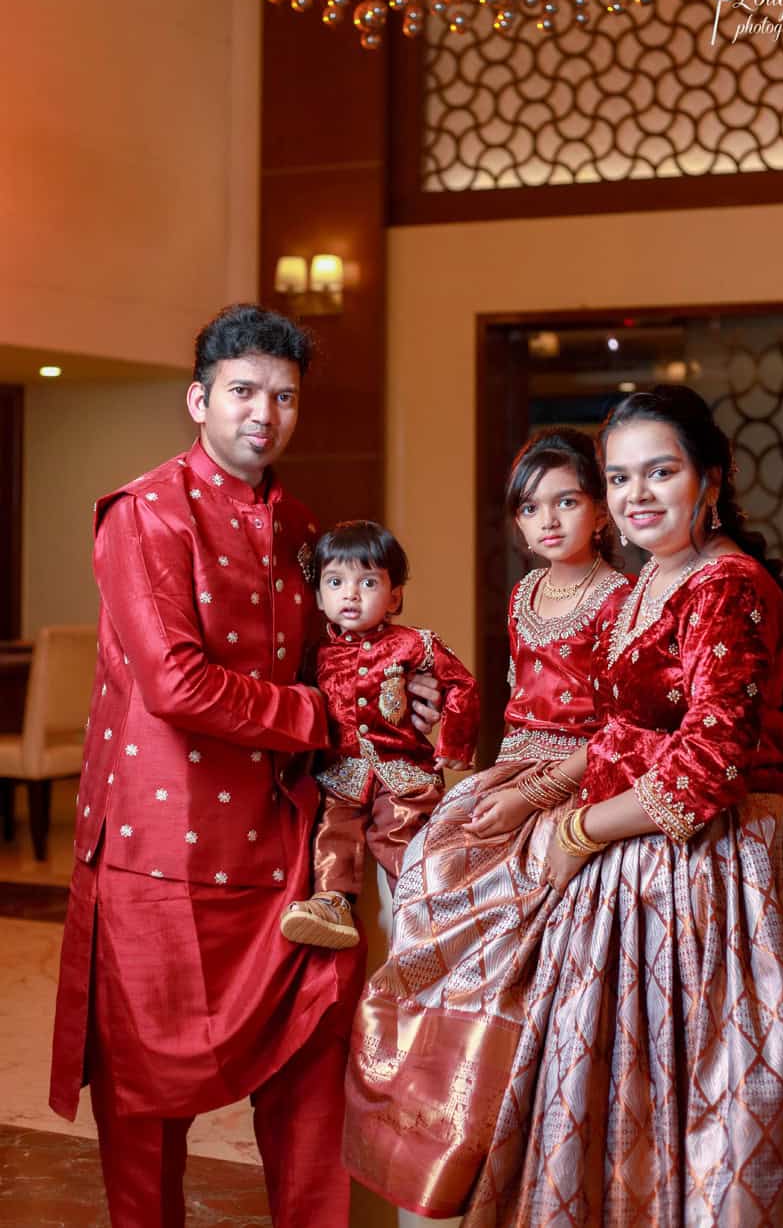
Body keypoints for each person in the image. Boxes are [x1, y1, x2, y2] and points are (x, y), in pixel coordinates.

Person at [343, 389, 783, 1225]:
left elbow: (711, 759)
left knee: (708, 1098)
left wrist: (575, 828)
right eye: (621, 477)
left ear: (712, 476)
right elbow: (620, 727)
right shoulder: (661, 574)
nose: (638, 495)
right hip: (637, 849)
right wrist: (545, 797)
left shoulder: (726, 583)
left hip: (717, 867)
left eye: (661, 471)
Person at [47, 303, 439, 1228]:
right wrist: (323, 714)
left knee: (315, 1074)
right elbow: (177, 682)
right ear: (200, 400)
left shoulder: (302, 525)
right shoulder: (142, 515)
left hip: (287, 847)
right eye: (244, 392)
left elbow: (334, 659)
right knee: (144, 1108)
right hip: (160, 854)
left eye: (286, 396)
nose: (265, 412)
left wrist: (403, 691)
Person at [343, 426, 631, 1215]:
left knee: (524, 904)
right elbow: (504, 700)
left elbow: (620, 731)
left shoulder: (622, 598)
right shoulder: (522, 594)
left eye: (567, 501)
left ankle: (516, 1100)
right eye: (530, 507)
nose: (547, 521)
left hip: (583, 777)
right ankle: (429, 1094)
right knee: (433, 862)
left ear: (601, 511)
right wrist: (476, 770)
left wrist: (534, 798)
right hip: (513, 763)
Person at [280, 519, 480, 950]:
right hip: (341, 773)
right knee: (334, 830)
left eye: (367, 582)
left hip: (402, 770)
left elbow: (462, 685)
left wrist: (457, 745)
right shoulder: (313, 655)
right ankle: (332, 902)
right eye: (336, 581)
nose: (350, 594)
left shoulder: (416, 645)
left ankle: (422, 908)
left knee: (404, 835)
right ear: (318, 596)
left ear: (395, 597)